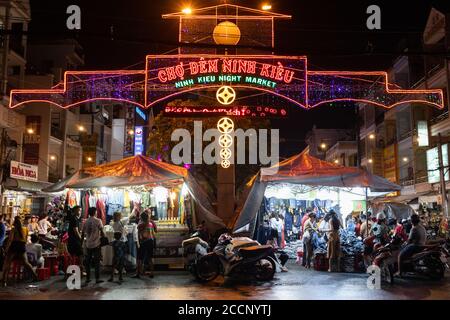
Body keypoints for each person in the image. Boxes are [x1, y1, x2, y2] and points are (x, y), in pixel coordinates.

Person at [1, 216, 38, 286]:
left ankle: (4, 280)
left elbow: (10, 240)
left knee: (7, 263)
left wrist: (6, 249)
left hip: (14, 246)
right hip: (22, 247)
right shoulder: (25, 229)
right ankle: (35, 276)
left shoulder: (13, 229)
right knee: (26, 263)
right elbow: (26, 239)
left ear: (14, 222)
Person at [81, 207, 105, 285]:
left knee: (88, 262)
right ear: (95, 212)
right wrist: (104, 238)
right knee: (97, 262)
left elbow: (82, 233)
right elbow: (102, 231)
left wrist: (82, 243)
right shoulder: (98, 221)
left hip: (88, 244)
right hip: (96, 244)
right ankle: (97, 278)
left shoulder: (86, 221)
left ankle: (88, 278)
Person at [134, 211, 156, 278]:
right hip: (151, 241)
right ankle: (152, 272)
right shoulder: (150, 224)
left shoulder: (141, 224)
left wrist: (138, 243)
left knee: (139, 258)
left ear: (141, 217)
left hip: (144, 241)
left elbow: (139, 233)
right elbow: (153, 233)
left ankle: (138, 273)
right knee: (150, 257)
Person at [67, 206, 84, 272]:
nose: (80, 212)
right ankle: (81, 269)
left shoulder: (76, 219)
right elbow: (75, 230)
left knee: (73, 254)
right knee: (80, 254)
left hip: (72, 239)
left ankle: (73, 270)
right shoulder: (74, 219)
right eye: (79, 210)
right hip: (74, 239)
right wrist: (80, 238)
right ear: (74, 211)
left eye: (80, 210)